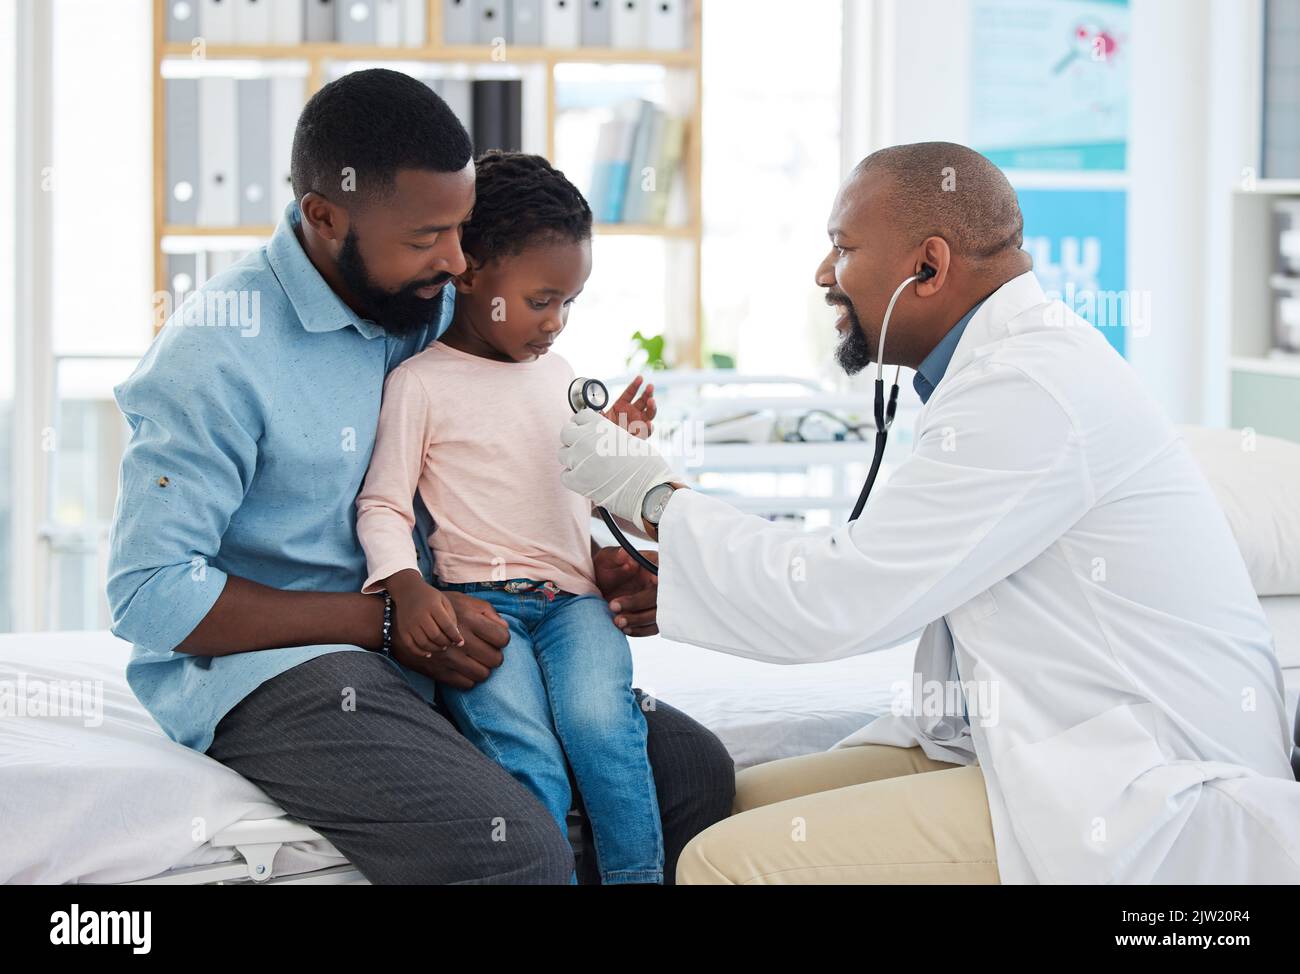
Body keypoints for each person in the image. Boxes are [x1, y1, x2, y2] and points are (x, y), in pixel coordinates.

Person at [557, 141, 1298, 884]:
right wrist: (687, 575)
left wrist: (650, 495)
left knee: (724, 863)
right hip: (1031, 741)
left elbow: (840, 597)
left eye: (842, 248)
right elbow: (890, 562)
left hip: (1139, 781)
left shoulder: (1030, 387)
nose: (823, 274)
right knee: (715, 804)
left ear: (929, 267)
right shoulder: (1005, 371)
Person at [107, 68, 733, 885]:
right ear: (324, 217)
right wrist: (386, 623)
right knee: (514, 852)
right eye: (425, 237)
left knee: (695, 776)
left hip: (463, 624)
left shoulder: (442, 303)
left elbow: (492, 460)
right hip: (287, 663)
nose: (456, 257)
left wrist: (581, 555)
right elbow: (148, 593)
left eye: (462, 226)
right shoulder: (215, 355)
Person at [354, 150, 666, 885]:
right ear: (469, 271)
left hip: (575, 607)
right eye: (541, 300)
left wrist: (614, 448)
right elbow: (383, 505)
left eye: (570, 303)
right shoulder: (419, 384)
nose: (557, 323)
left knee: (603, 731)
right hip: (481, 608)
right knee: (524, 752)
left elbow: (571, 493)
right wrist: (403, 586)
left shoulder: (556, 377)